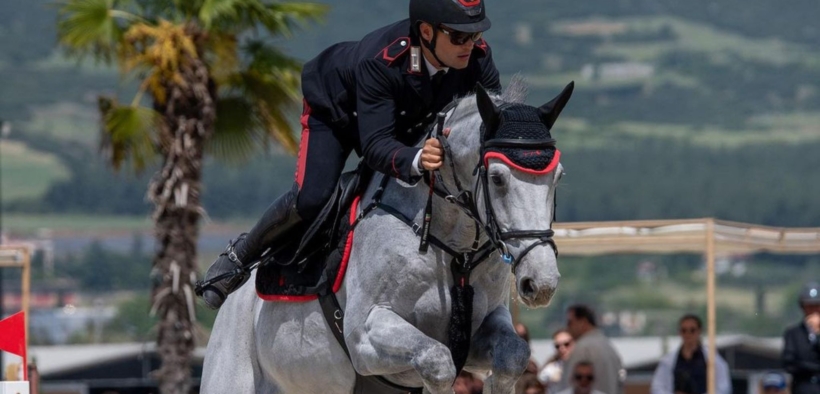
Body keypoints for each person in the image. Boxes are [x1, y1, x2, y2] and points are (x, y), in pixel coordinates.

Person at [197, 0, 501, 309]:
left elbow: (492, 122)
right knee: (312, 198)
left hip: (406, 118)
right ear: (426, 32)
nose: (471, 44)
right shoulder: (382, 61)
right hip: (336, 114)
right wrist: (417, 158)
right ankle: (239, 256)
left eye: (475, 35)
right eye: (460, 37)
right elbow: (375, 144)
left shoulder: (478, 56)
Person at [650, 314, 731, 394]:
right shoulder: (668, 361)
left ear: (699, 331)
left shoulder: (713, 359)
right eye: (684, 330)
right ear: (679, 332)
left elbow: (723, 387)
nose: (688, 334)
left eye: (692, 330)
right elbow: (657, 387)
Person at [563, 304, 624, 394]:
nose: (567, 328)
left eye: (570, 322)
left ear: (583, 322)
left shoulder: (582, 347)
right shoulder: (608, 346)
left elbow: (568, 385)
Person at [782, 282, 820, 394]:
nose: (814, 311)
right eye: (810, 306)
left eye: (817, 306)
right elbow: (789, 363)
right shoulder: (793, 334)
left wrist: (817, 335)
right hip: (803, 388)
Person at [539, 329, 574, 393]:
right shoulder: (550, 370)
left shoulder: (585, 367)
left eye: (566, 344)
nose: (562, 348)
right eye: (557, 346)